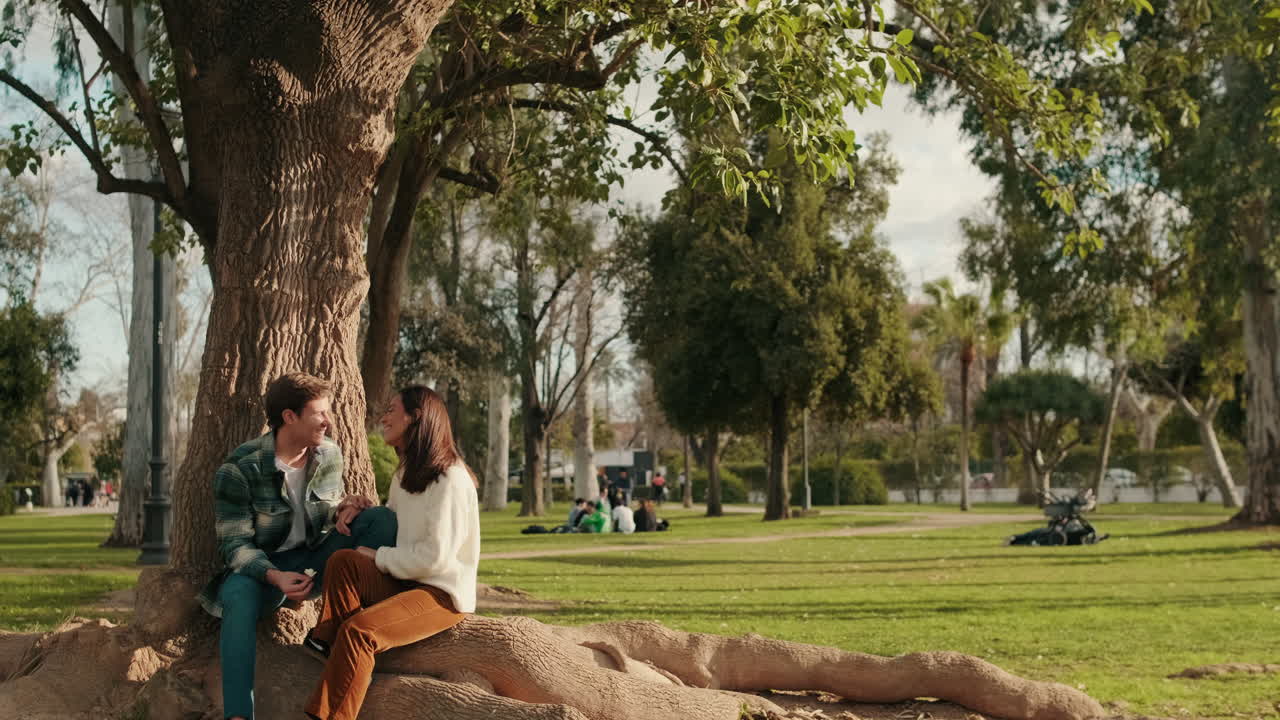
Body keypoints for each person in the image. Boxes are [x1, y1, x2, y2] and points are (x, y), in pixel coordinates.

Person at [196, 373, 396, 720]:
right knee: (237, 596)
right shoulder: (241, 469)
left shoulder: (329, 454)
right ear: (289, 417)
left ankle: (328, 635)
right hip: (265, 569)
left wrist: (343, 510)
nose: (329, 421)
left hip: (316, 560)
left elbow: (325, 508)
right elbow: (235, 546)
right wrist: (276, 578)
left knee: (379, 520)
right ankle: (239, 714)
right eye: (319, 413)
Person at [303, 385, 480, 720]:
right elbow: (401, 526)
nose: (383, 418)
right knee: (344, 561)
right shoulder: (405, 474)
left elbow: (435, 558)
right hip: (406, 580)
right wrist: (364, 508)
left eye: (391, 410)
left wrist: (379, 557)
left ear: (415, 418)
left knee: (360, 632)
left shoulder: (452, 480)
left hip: (440, 593)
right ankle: (328, 642)